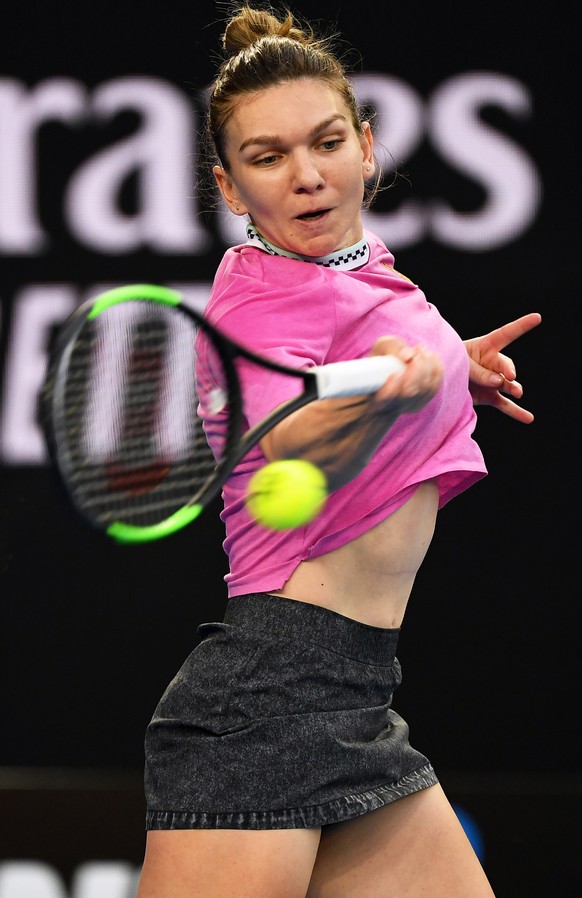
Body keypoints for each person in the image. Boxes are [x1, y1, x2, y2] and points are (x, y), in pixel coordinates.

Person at [136, 5, 541, 896]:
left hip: (354, 691)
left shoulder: (364, 268)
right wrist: (377, 394)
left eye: (325, 144)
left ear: (366, 146)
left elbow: (379, 357)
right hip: (269, 695)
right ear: (231, 188)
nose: (308, 177)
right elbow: (286, 433)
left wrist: (450, 369)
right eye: (268, 158)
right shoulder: (255, 302)